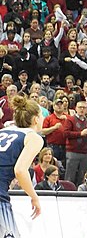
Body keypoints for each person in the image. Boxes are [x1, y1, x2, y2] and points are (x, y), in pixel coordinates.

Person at [0, 96, 44, 238]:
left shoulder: (3, 132)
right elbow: (20, 170)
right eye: (42, 115)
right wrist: (34, 197)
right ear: (36, 119)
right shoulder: (34, 137)